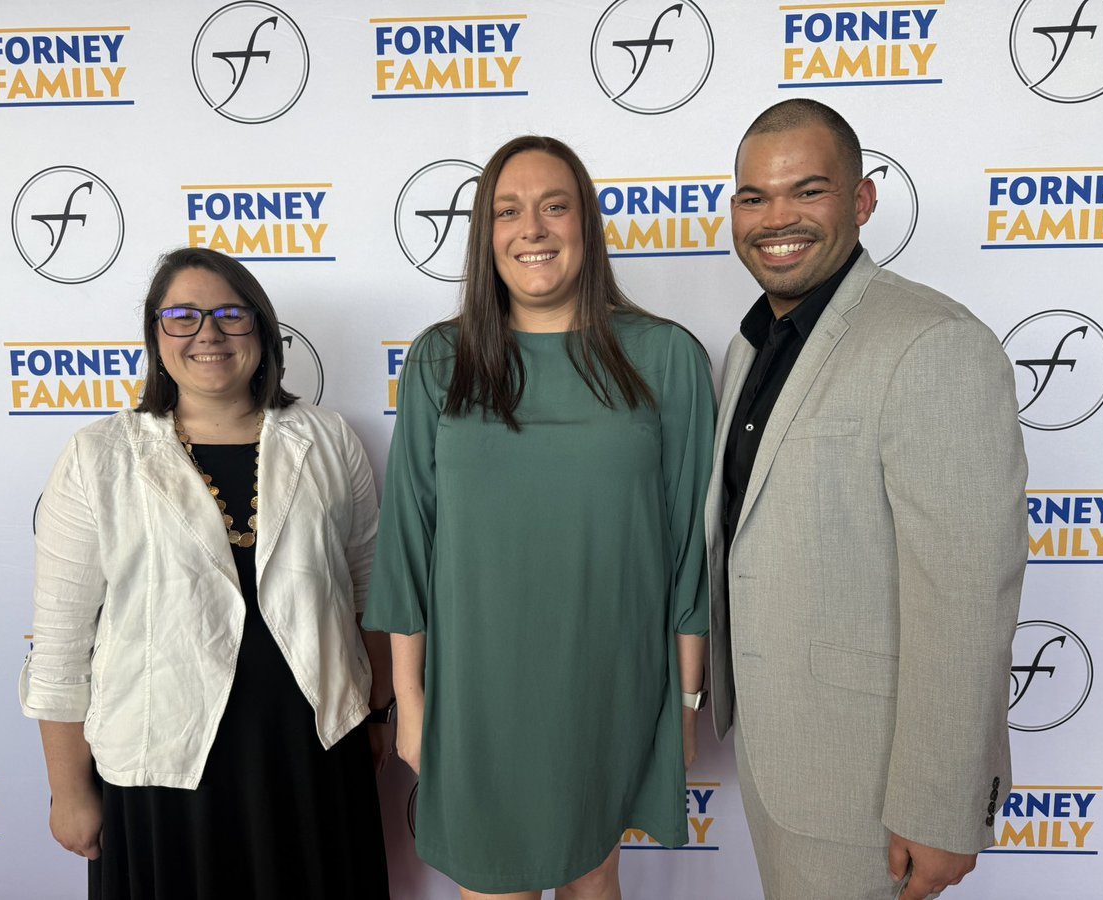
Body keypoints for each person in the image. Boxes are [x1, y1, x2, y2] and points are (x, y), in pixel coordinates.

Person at [363, 135, 715, 900]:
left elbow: (692, 543)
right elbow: (408, 546)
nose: (533, 228)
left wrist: (684, 703)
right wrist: (411, 701)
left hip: (612, 681)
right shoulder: (438, 361)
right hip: (476, 692)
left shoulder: (666, 358)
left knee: (593, 877)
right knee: (494, 885)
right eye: (508, 211)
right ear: (485, 235)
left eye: (555, 207)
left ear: (585, 224)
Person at [705, 98, 1028, 900]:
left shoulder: (932, 342)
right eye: (754, 197)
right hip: (781, 755)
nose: (776, 217)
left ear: (861, 201)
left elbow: (964, 596)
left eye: (807, 191)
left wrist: (945, 806)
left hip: (873, 787)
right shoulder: (750, 345)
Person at [20, 247, 392, 899]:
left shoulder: (329, 440)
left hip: (310, 757)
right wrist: (68, 789)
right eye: (183, 317)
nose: (208, 334)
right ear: (155, 334)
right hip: (162, 766)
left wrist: (375, 718)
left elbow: (372, 600)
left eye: (229, 315)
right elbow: (60, 643)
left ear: (261, 328)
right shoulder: (98, 458)